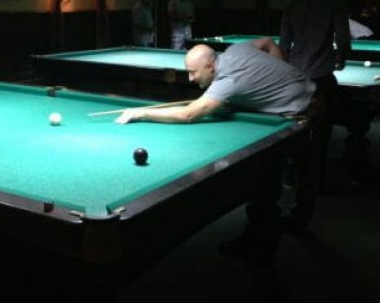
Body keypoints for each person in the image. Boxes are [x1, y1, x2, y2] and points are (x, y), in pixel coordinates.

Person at [116, 39, 318, 270]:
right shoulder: (236, 49)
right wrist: (281, 73)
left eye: (193, 72)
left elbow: (188, 115)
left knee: (290, 173)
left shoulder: (227, 81)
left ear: (211, 67)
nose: (190, 79)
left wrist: (141, 113)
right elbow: (267, 43)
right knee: (268, 179)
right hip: (305, 89)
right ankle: (258, 238)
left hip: (305, 109)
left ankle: (269, 247)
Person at [279, 0, 351, 231]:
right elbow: (343, 40)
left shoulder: (291, 4)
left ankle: (290, 177)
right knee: (319, 139)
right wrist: (341, 58)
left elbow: (283, 44)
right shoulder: (335, 3)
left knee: (289, 133)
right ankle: (310, 192)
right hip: (321, 79)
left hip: (296, 78)